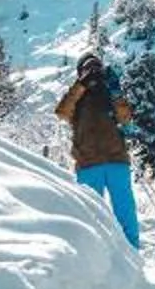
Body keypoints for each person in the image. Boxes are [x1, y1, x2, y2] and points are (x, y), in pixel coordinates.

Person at [55, 52, 141, 250]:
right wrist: (80, 85)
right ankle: (95, 256)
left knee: (125, 211)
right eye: (88, 69)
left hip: (115, 161)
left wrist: (116, 91)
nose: (93, 73)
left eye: (96, 69)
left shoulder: (110, 92)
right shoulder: (76, 97)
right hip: (88, 163)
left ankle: (133, 254)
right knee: (91, 215)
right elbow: (61, 112)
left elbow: (126, 118)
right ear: (80, 73)